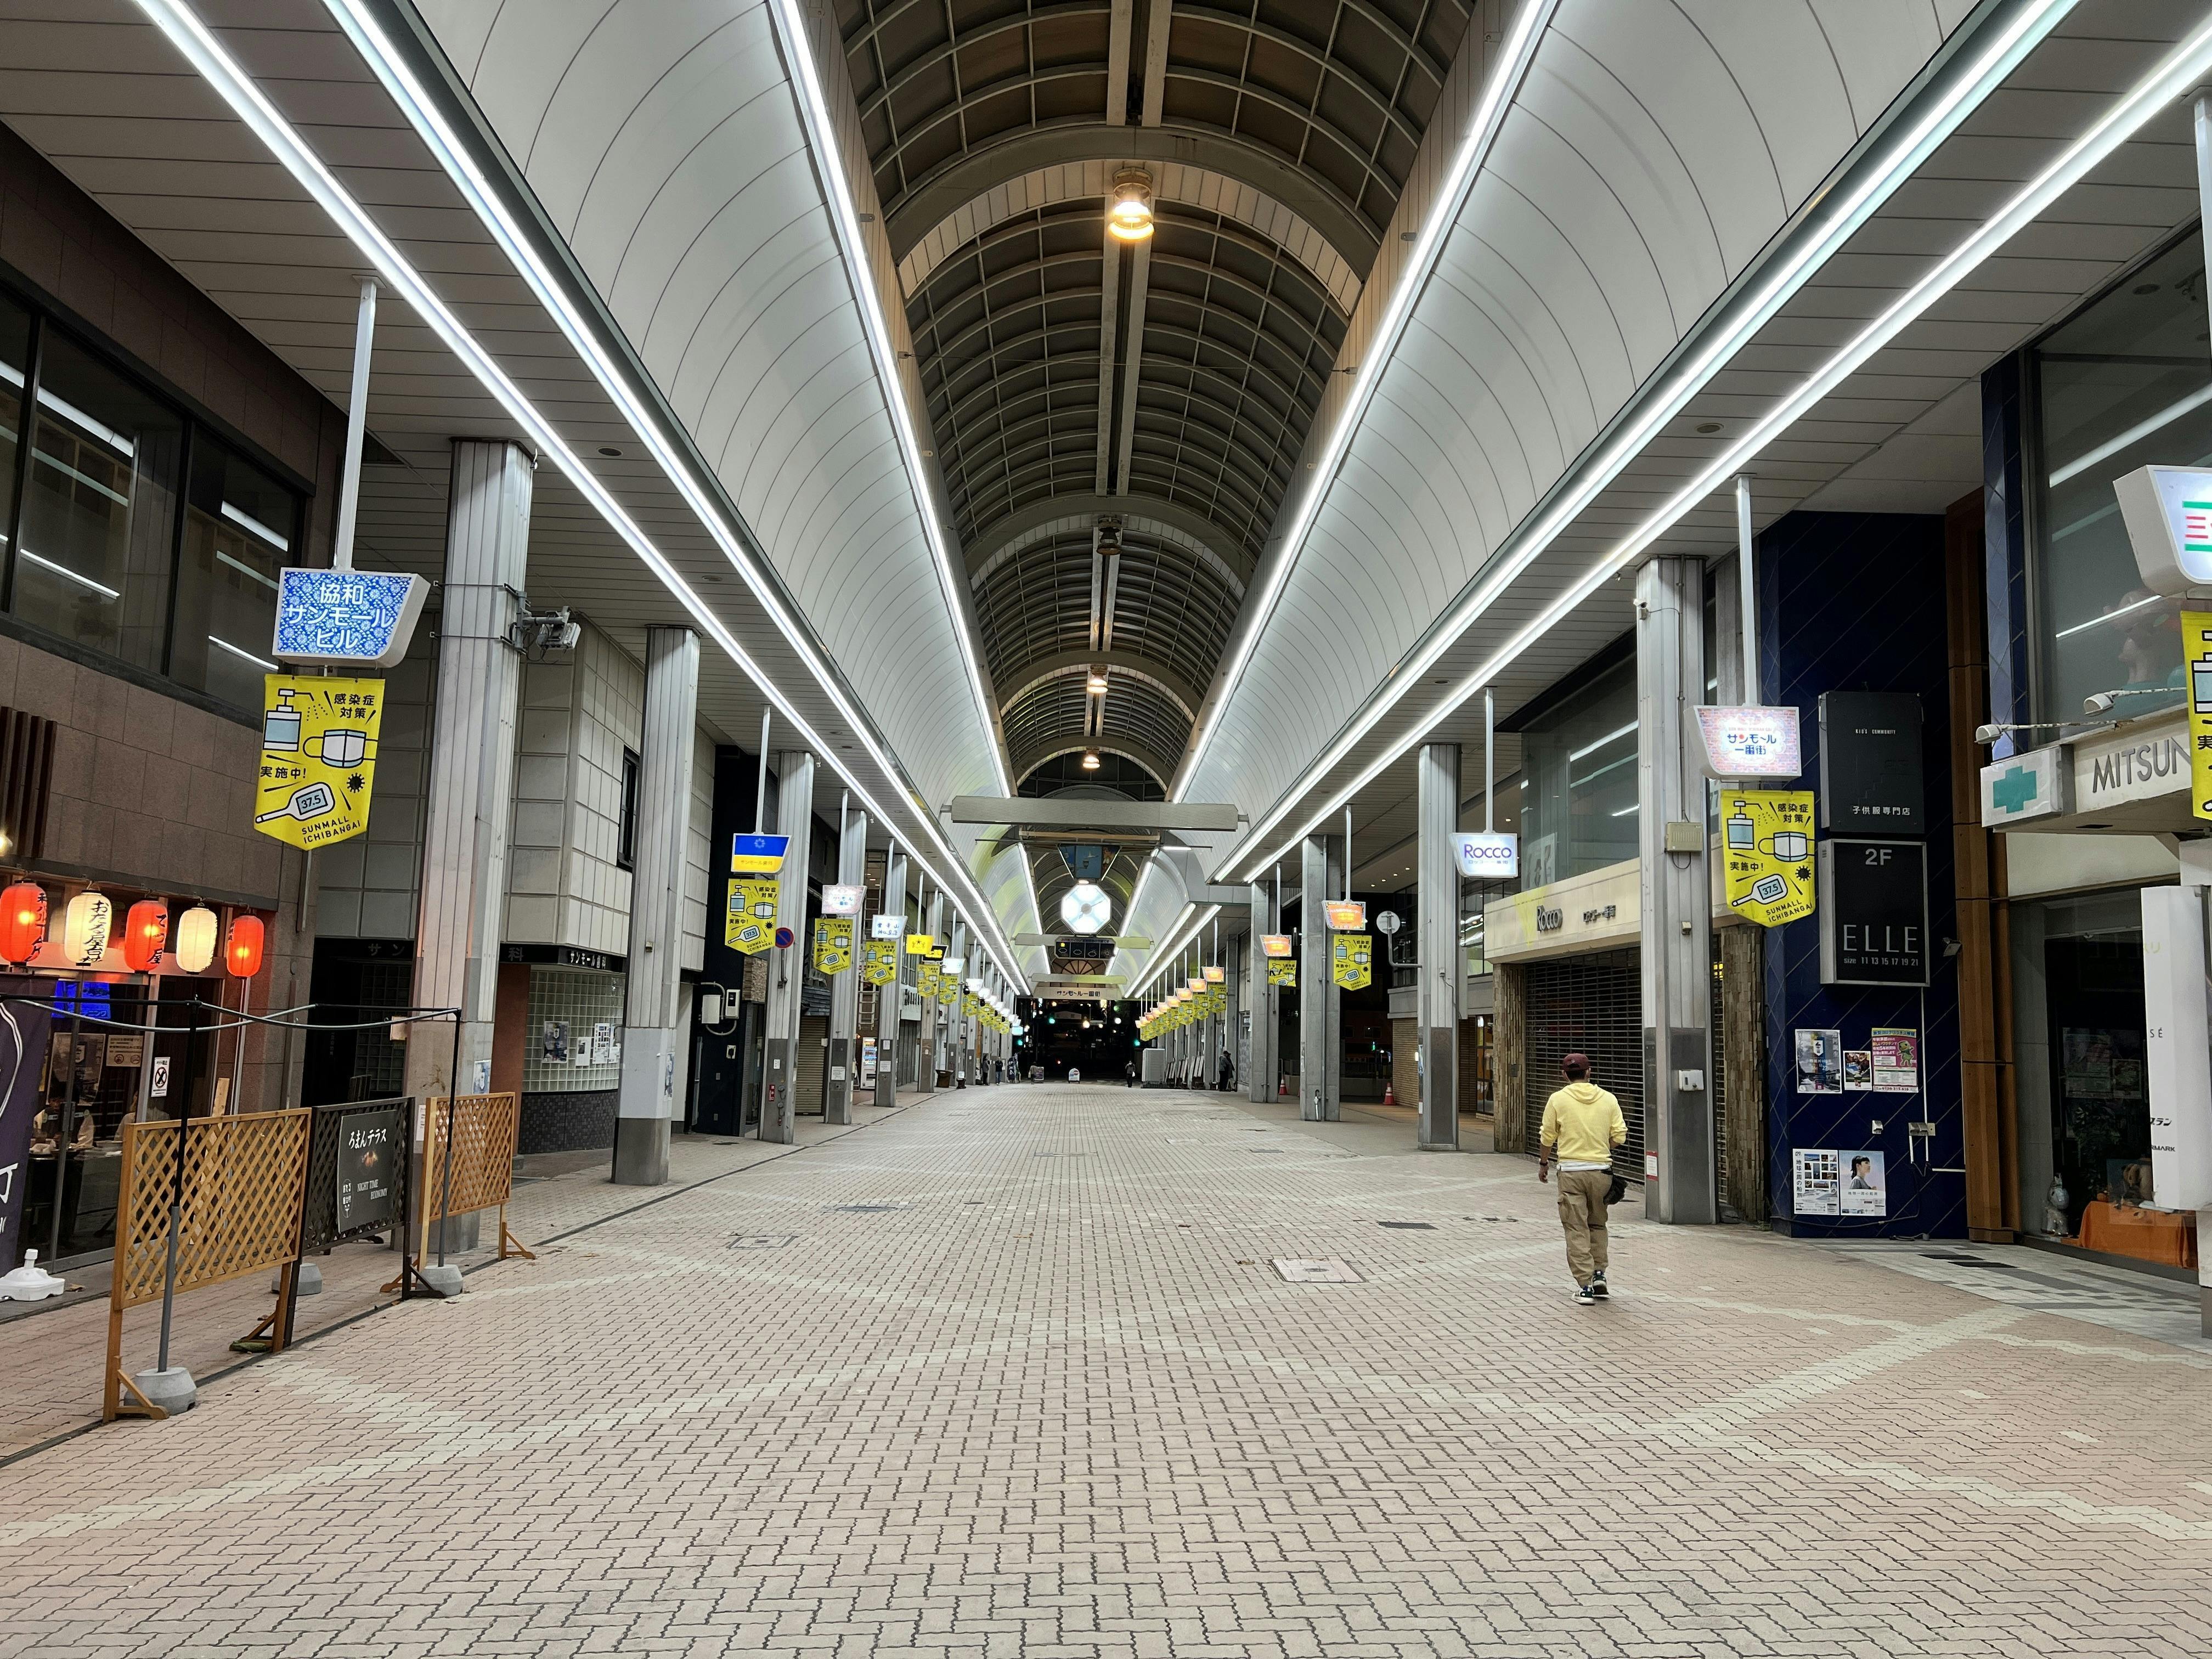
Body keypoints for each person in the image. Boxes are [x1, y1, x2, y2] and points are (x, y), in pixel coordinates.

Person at [1537, 1052, 1627, 1306]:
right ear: (1589, 1072)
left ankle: (1585, 1287)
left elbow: (1547, 1136)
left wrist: (1544, 1163)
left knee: (1576, 1228)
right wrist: (1601, 1146)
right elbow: (1620, 1135)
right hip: (1601, 1172)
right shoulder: (1608, 1098)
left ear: (1564, 1075)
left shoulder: (1558, 1099)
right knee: (1597, 1224)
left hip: (1571, 1173)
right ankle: (1599, 1275)